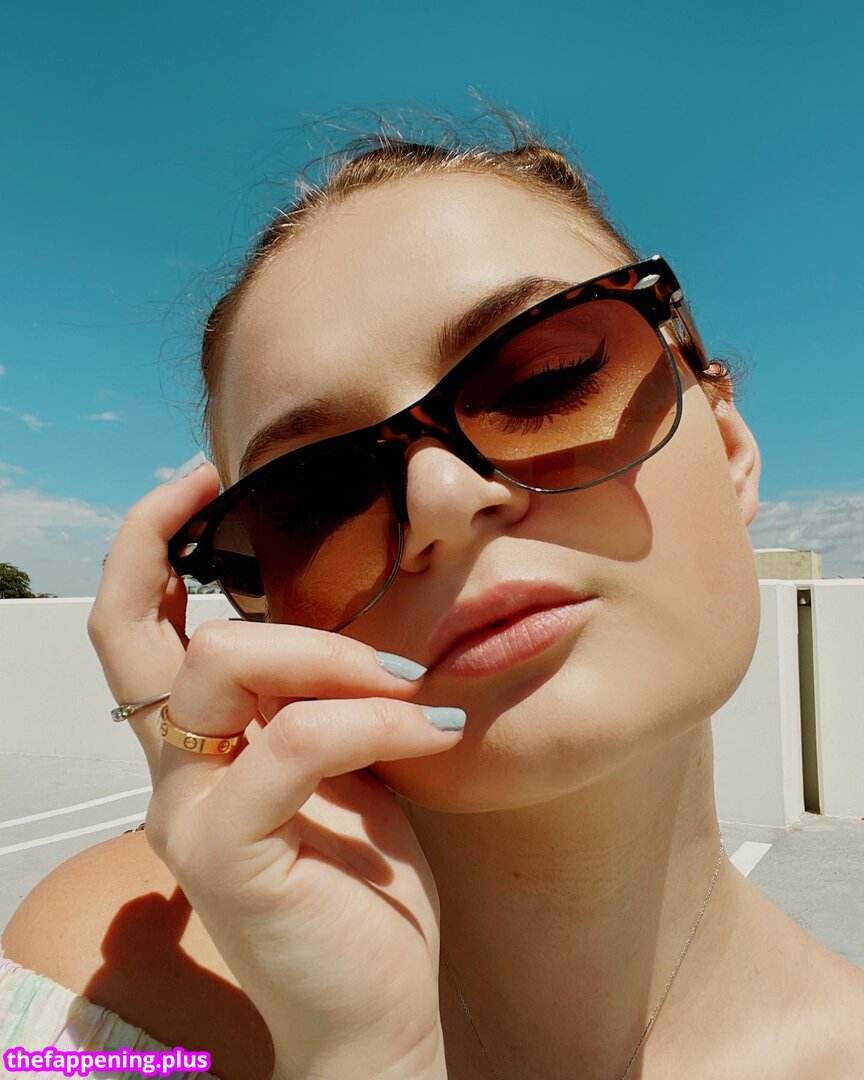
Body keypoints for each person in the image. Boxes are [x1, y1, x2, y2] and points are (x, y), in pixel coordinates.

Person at [2, 107, 863, 1080]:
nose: (442, 499)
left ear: (733, 449)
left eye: (547, 381)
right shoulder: (92, 1002)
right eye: (311, 496)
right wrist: (358, 1056)